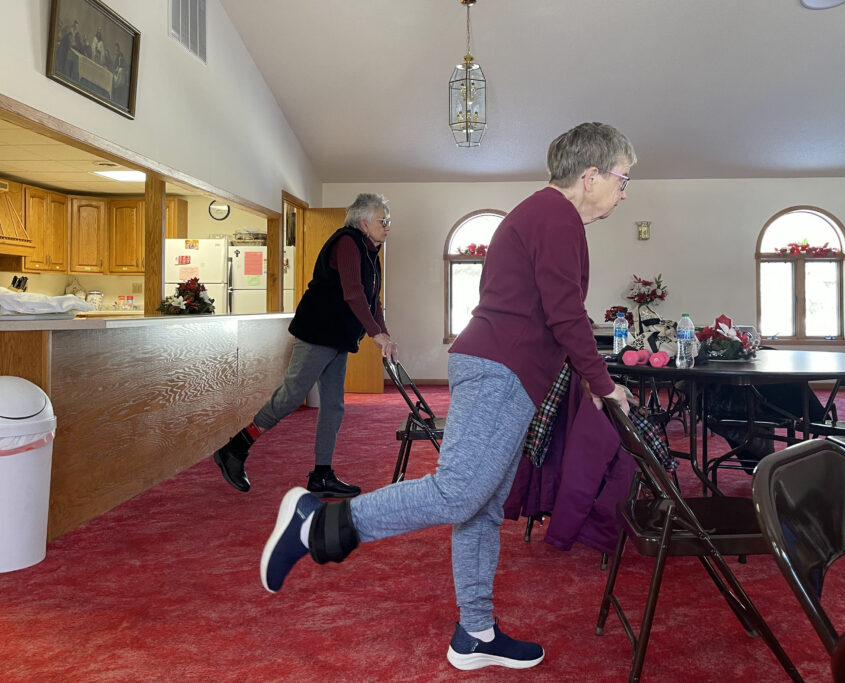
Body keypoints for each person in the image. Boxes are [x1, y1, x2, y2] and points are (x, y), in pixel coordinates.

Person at [258, 122, 635, 671]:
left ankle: (475, 632)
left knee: (481, 507)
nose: (625, 192)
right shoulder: (556, 215)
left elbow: (554, 312)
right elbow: (565, 312)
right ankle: (317, 523)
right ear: (591, 174)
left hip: (504, 371)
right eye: (624, 179)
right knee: (461, 492)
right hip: (500, 370)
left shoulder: (545, 216)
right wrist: (603, 385)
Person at [213, 193, 398, 498]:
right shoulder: (348, 243)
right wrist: (375, 334)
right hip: (318, 332)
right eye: (384, 220)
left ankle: (322, 475)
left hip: (338, 337)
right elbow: (353, 294)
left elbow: (372, 299)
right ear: (364, 222)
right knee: (291, 395)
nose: (388, 226)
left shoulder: (370, 252)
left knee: (334, 404)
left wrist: (385, 336)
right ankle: (235, 449)